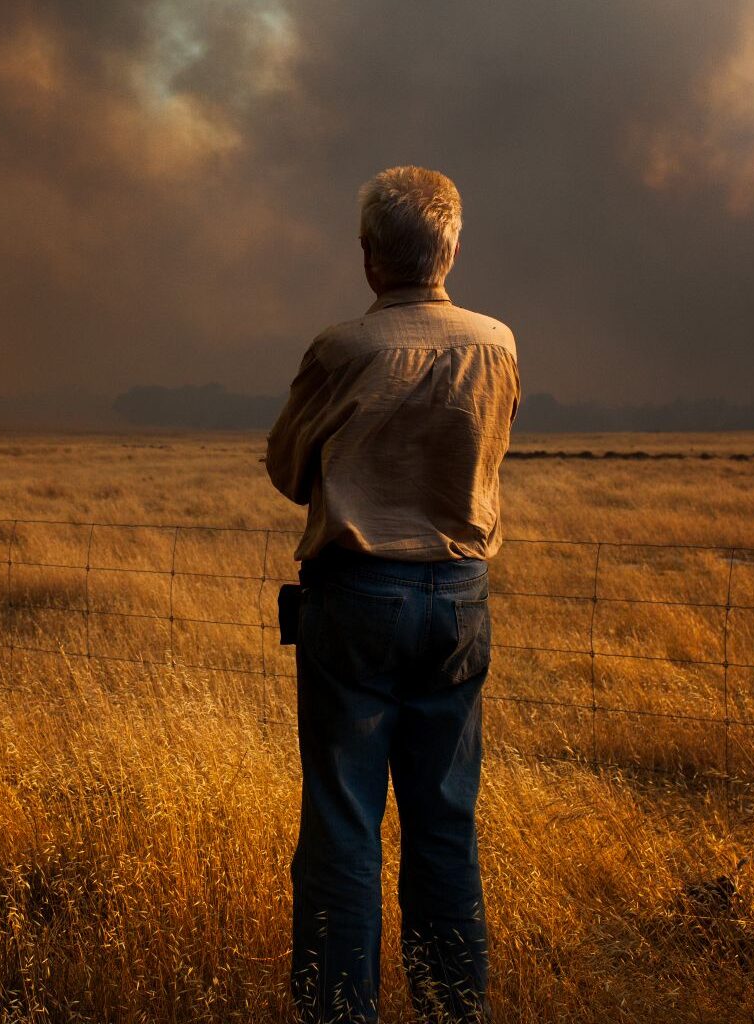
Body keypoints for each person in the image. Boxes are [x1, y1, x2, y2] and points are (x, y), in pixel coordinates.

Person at [267, 166, 520, 1023]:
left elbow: (288, 469)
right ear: (451, 249)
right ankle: (454, 1010)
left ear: (371, 257)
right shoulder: (498, 344)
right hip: (460, 597)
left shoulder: (343, 349)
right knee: (445, 819)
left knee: (344, 822)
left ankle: (341, 1013)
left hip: (357, 597)